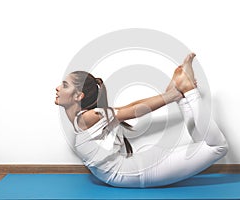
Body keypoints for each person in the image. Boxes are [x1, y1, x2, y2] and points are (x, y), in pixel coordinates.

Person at [55, 53, 228, 188]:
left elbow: (133, 110)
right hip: (138, 168)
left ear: (79, 96)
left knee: (217, 147)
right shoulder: (85, 120)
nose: (57, 88)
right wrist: (171, 95)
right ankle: (182, 92)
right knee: (206, 144)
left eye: (64, 85)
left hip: (138, 171)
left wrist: (171, 95)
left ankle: (187, 92)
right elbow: (130, 109)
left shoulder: (88, 118)